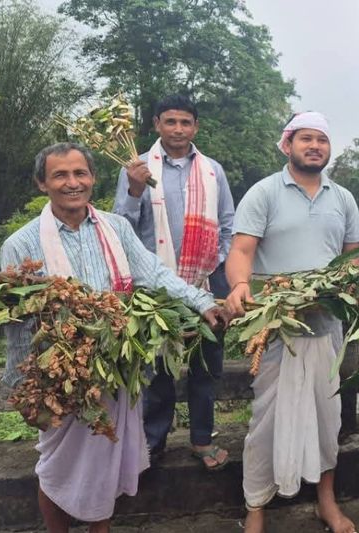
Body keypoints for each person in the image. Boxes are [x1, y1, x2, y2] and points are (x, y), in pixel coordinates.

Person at [1, 143, 226, 533]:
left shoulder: (116, 228)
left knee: (104, 462)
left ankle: (100, 530)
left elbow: (154, 274)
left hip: (117, 373)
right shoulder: (21, 245)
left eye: (80, 174)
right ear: (42, 184)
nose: (72, 183)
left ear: (92, 178)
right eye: (60, 175)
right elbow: (19, 327)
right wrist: (27, 390)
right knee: (56, 468)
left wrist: (201, 301)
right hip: (62, 378)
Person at [224, 112, 359, 533]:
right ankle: (256, 507)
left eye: (322, 139)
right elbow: (242, 250)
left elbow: (353, 252)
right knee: (266, 418)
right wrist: (239, 285)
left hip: (326, 326)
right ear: (288, 144)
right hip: (277, 327)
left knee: (327, 418)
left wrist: (347, 283)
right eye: (306, 139)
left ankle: (326, 501)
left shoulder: (343, 198)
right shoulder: (264, 193)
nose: (315, 146)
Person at [114, 94, 235, 469]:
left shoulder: (213, 170)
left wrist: (215, 267)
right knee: (156, 371)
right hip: (155, 288)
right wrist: (135, 191)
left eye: (185, 122)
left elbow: (228, 225)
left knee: (205, 367)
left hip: (205, 282)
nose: (178, 129)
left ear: (195, 127)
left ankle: (201, 439)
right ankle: (153, 441)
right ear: (156, 124)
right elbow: (121, 229)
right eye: (170, 122)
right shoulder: (135, 169)